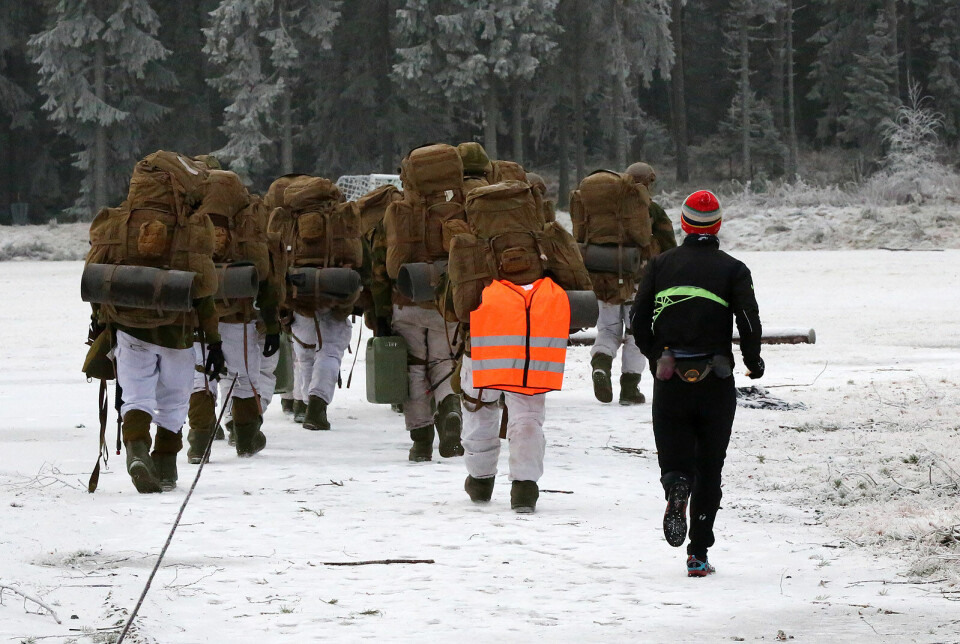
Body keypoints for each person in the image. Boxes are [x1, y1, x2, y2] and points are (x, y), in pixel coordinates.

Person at [630, 189, 764, 577]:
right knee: (710, 465)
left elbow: (638, 320)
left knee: (675, 457)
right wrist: (753, 361)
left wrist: (657, 355)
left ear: (684, 224)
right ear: (717, 224)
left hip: (670, 375)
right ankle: (698, 553)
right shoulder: (734, 268)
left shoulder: (659, 265)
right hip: (715, 377)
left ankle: (675, 485)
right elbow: (750, 322)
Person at [461, 277, 571, 513]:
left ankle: (480, 481)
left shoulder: (472, 243)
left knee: (479, 407)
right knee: (527, 417)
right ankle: (524, 489)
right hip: (535, 341)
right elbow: (576, 280)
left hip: (484, 340)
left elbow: (458, 303)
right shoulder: (547, 240)